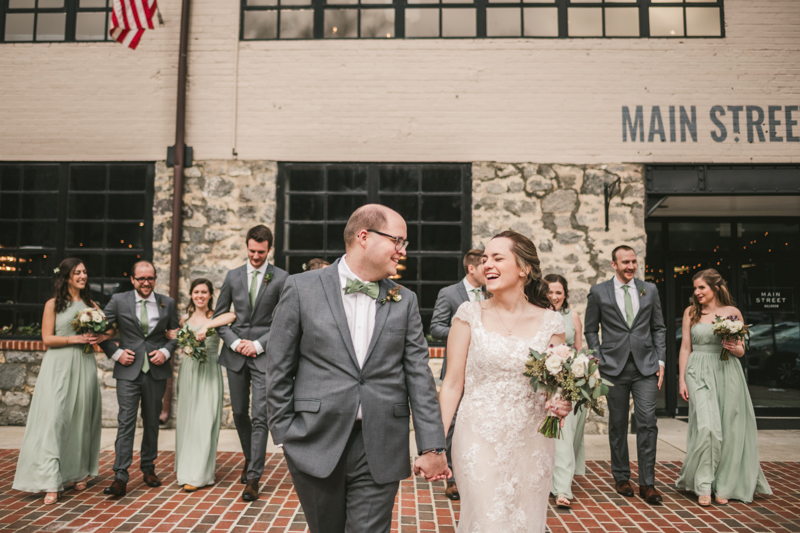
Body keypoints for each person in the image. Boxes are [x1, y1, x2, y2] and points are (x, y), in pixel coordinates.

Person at [267, 204, 449, 533]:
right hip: (314, 440)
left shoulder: (404, 299)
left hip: (381, 443)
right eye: (398, 240)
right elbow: (278, 367)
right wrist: (285, 434)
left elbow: (419, 377)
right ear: (364, 237)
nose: (402, 250)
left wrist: (432, 445)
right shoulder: (300, 288)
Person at [438, 231, 572, 533]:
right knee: (490, 521)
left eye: (498, 258)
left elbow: (558, 386)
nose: (487, 264)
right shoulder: (468, 315)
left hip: (532, 439)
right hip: (478, 437)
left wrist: (563, 401)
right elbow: (451, 385)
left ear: (523, 268)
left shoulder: (551, 322)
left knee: (525, 522)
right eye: (485, 259)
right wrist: (435, 445)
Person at [675, 269, 771, 506]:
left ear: (715, 289)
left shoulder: (732, 313)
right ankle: (704, 484)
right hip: (698, 372)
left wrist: (732, 345)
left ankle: (725, 485)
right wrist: (682, 379)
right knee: (707, 427)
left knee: (730, 429)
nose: (696, 292)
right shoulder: (691, 313)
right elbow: (686, 347)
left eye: (701, 288)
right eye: (695, 288)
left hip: (727, 371)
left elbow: (741, 351)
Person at [12, 258, 102, 504]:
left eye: (85, 271)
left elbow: (109, 330)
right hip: (59, 366)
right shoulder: (53, 304)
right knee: (55, 419)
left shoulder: (90, 304)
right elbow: (47, 339)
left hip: (84, 365)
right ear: (66, 277)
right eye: (78, 272)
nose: (83, 276)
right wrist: (75, 340)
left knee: (81, 417)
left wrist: (97, 335)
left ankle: (77, 472)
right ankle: (51, 480)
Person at [584, 245, 666, 505]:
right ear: (614, 265)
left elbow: (659, 327)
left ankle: (648, 483)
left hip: (646, 367)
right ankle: (621, 477)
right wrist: (597, 357)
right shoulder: (599, 292)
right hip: (613, 367)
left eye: (634, 261)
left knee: (647, 422)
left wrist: (660, 361)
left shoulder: (649, 289)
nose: (631, 266)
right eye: (625, 262)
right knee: (618, 424)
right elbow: (590, 329)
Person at [214, 225, 289, 501]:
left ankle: (254, 477)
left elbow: (284, 321)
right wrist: (235, 343)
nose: (256, 256)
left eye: (261, 252)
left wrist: (258, 344)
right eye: (252, 251)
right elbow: (220, 316)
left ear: (269, 249)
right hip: (235, 355)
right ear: (246, 247)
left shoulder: (281, 278)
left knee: (261, 416)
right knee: (239, 413)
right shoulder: (233, 276)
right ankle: (249, 457)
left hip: (263, 356)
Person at [98, 261, 179, 498]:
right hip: (128, 370)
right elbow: (99, 330)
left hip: (156, 371)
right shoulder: (119, 300)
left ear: (155, 279)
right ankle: (120, 475)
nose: (146, 282)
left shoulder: (168, 302)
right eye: (141, 278)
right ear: (132, 279)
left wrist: (165, 352)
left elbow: (175, 334)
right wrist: (116, 352)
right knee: (126, 421)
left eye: (150, 278)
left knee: (152, 421)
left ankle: (148, 468)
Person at [429, 248, 486, 501]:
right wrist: (466, 332)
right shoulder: (449, 294)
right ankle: (452, 479)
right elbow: (435, 328)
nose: (490, 271)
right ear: (471, 268)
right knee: (452, 424)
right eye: (485, 266)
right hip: (457, 367)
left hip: (485, 369)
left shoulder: (493, 293)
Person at [171, 279, 236, 492]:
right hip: (189, 372)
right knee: (189, 422)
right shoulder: (184, 320)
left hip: (209, 372)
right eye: (196, 292)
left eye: (204, 292)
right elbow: (177, 339)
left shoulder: (216, 316)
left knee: (205, 421)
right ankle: (188, 469)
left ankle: (201, 473)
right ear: (191, 294)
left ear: (210, 295)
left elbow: (233, 315)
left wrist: (207, 325)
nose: (200, 295)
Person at [544, 273, 586, 509]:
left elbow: (579, 350)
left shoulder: (574, 316)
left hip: (568, 382)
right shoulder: (537, 315)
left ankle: (562, 489)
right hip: (543, 381)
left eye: (559, 292)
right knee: (545, 435)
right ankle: (547, 479)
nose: (554, 296)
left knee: (564, 434)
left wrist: (582, 376)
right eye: (550, 291)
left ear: (565, 294)